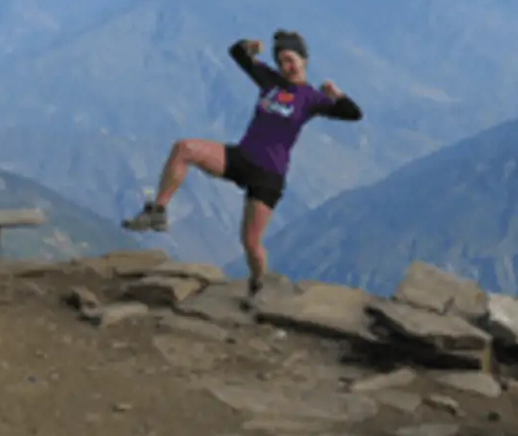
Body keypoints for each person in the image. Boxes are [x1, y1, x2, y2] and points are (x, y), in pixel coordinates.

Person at [123, 29, 363, 297]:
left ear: (304, 59)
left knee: (250, 243)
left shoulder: (311, 99)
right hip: (241, 157)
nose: (287, 65)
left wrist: (335, 93)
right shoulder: (269, 81)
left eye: (291, 58)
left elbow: (353, 113)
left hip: (268, 175)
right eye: (282, 60)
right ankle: (158, 210)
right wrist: (250, 46)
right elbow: (237, 53)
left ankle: (258, 282)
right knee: (184, 149)